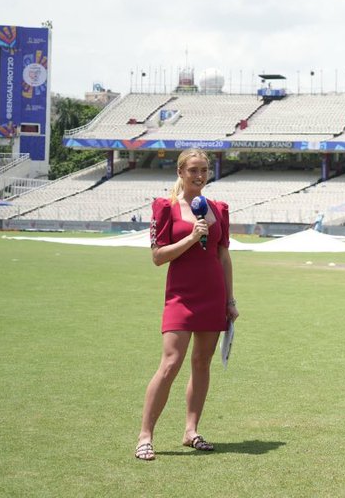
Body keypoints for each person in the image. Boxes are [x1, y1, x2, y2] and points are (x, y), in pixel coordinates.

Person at [135, 148, 237, 461]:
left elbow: (222, 255)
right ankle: (145, 435)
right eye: (193, 170)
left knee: (202, 363)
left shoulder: (218, 208)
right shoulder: (165, 207)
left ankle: (191, 431)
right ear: (181, 172)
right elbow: (157, 257)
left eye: (204, 170)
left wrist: (230, 299)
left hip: (213, 295)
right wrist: (191, 238)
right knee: (170, 363)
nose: (199, 176)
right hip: (180, 295)